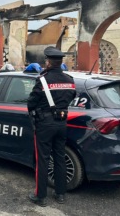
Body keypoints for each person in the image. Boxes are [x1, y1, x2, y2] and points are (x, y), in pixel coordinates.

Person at [27, 46, 76, 207]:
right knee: (60, 158)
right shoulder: (70, 80)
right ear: (60, 63)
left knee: (43, 160)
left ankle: (40, 196)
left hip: (45, 124)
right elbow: (71, 97)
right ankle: (60, 193)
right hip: (62, 123)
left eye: (46, 61)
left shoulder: (42, 80)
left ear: (48, 62)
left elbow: (31, 102)